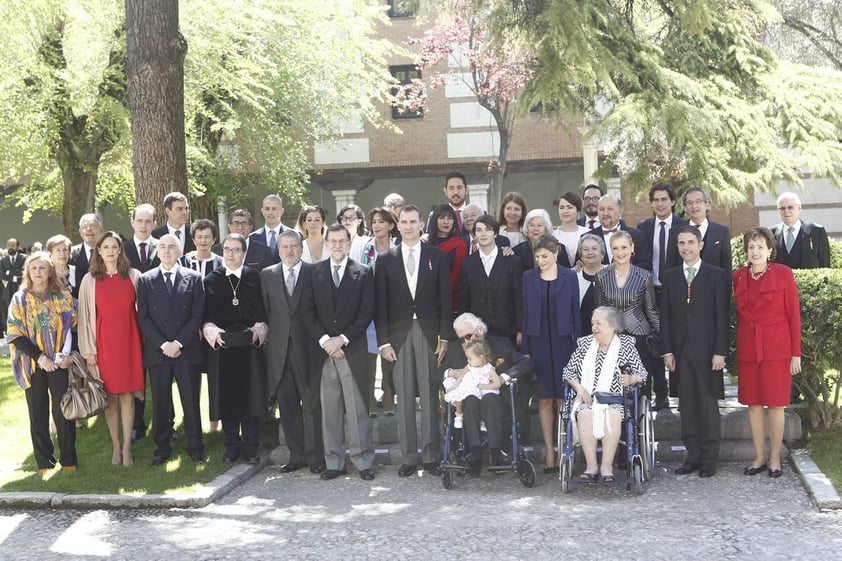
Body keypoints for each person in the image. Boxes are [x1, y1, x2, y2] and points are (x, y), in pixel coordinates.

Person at [375, 205, 452, 477]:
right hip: (398, 335)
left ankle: (431, 455)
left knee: (430, 396)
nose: (408, 226)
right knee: (404, 395)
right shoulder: (386, 259)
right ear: (398, 224)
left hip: (430, 334)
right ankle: (409, 456)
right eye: (404, 221)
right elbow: (380, 305)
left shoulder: (437, 256)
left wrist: (445, 337)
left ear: (421, 224)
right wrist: (383, 342)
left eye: (413, 221)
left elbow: (446, 298)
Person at [301, 224, 376, 481]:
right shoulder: (313, 272)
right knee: (330, 408)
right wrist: (326, 341)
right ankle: (334, 462)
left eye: (341, 241)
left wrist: (341, 340)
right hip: (324, 352)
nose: (336, 245)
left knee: (356, 408)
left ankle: (363, 461)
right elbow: (307, 311)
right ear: (326, 243)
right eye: (332, 241)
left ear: (348, 242)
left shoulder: (363, 272)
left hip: (351, 349)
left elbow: (366, 312)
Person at [661, 226, 729, 478]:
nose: (686, 247)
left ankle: (710, 458)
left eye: (691, 242)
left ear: (700, 245)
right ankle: (693, 456)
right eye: (681, 243)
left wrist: (720, 351)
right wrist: (667, 350)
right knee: (687, 405)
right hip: (680, 351)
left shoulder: (716, 275)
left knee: (708, 404)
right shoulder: (669, 277)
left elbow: (722, 316)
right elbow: (665, 317)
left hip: (708, 350)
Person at [734, 227, 801, 479]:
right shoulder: (739, 276)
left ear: (770, 250)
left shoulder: (784, 274)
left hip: (777, 347)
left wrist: (796, 353)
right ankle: (759, 457)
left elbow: (793, 315)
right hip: (748, 347)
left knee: (775, 404)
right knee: (752, 405)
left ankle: (774, 459)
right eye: (751, 247)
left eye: (760, 247)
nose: (755, 251)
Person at [136, 234, 206, 466]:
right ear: (157, 252)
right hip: (158, 352)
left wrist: (179, 343)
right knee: (161, 402)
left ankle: (196, 446)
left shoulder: (194, 278)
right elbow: (143, 317)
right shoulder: (146, 280)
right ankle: (162, 447)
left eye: (171, 247)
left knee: (191, 401)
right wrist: (163, 344)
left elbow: (197, 315)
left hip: (186, 350)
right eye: (162, 247)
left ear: (179, 252)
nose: (166, 251)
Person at [261, 230, 326, 474]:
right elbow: (267, 312)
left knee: (311, 405)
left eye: (294, 246)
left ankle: (315, 456)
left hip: (308, 349)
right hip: (280, 352)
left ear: (301, 249)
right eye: (284, 246)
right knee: (287, 405)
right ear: (278, 250)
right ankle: (296, 455)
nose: (289, 251)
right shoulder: (267, 275)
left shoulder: (314, 272)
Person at [7, 252, 78, 475]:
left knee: (63, 411)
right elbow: (14, 334)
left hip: (58, 363)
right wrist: (41, 357)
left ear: (50, 272)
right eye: (34, 268)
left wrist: (68, 355)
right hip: (32, 364)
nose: (38, 272)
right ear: (28, 271)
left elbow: (75, 326)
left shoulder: (62, 297)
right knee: (37, 413)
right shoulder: (20, 299)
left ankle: (69, 461)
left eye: (42, 268)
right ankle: (44, 463)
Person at [78, 231, 144, 467]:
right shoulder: (90, 280)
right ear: (98, 251)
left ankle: (127, 448)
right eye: (105, 247)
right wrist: (88, 351)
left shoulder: (134, 276)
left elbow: (142, 313)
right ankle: (115, 445)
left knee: (127, 395)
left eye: (114, 247)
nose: (110, 251)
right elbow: (85, 318)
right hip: (103, 346)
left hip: (130, 343)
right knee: (110, 398)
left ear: (120, 250)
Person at [203, 234, 268, 464]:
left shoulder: (254, 277)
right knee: (227, 399)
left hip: (249, 347)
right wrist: (214, 333)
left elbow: (263, 312)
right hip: (224, 348)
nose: (231, 254)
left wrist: (257, 331)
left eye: (236, 250)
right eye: (228, 249)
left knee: (250, 397)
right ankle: (231, 446)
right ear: (222, 252)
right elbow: (206, 315)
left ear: (244, 252)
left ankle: (251, 447)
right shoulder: (212, 279)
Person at [563, 306, 648, 482]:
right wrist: (579, 388)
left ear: (612, 326)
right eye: (593, 323)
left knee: (613, 415)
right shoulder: (585, 344)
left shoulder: (626, 345)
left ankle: (607, 466)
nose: (594, 327)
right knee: (585, 413)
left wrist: (631, 379)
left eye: (599, 323)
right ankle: (591, 466)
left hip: (616, 400)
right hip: (589, 398)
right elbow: (568, 372)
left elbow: (643, 374)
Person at [522, 234, 581, 472]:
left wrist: (578, 349)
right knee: (545, 398)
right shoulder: (528, 277)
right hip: (538, 342)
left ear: (556, 253)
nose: (541, 261)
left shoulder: (569, 276)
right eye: (537, 257)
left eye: (545, 256)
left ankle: (564, 447)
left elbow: (575, 313)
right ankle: (549, 450)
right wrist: (525, 349)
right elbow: (525, 314)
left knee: (563, 398)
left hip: (563, 342)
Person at [448, 313, 535, 475]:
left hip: (498, 400)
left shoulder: (500, 344)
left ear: (479, 331)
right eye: (461, 339)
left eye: (468, 336)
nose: (465, 342)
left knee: (490, 399)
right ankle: (475, 454)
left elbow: (526, 363)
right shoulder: (455, 351)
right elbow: (436, 374)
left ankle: (496, 453)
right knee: (472, 400)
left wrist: (503, 378)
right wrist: (450, 374)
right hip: (469, 402)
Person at [594, 231, 663, 408]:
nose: (620, 252)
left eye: (624, 247)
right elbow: (600, 310)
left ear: (632, 248)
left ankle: (640, 428)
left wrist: (663, 338)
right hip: (611, 337)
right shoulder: (602, 275)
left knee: (640, 384)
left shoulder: (644, 275)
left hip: (639, 336)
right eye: (615, 248)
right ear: (610, 251)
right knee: (612, 383)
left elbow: (651, 309)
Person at [458, 215, 523, 345]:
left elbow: (519, 298)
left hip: (507, 330)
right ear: (475, 235)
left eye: (487, 229)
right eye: (479, 230)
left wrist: (520, 330)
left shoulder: (512, 261)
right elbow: (464, 300)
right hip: (477, 332)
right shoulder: (467, 264)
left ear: (495, 233)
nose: (483, 234)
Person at [360, 208, 398, 418]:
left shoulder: (398, 248)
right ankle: (370, 398)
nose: (376, 225)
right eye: (373, 221)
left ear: (391, 225)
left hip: (393, 308)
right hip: (370, 306)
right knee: (370, 352)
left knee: (389, 351)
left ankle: (388, 392)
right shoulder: (366, 249)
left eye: (381, 221)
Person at [635, 182, 687, 286]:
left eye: (664, 199)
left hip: (676, 286)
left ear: (672, 202)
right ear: (651, 203)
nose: (660, 204)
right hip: (649, 288)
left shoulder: (683, 226)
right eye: (656, 200)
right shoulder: (643, 227)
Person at [672, 187, 731, 277]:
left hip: (713, 287)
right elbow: (671, 265)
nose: (694, 206)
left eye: (698, 201)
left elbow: (726, 266)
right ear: (685, 207)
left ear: (707, 204)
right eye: (690, 203)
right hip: (683, 287)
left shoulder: (722, 232)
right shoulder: (674, 232)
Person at [443, 340, 502, 429]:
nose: (468, 360)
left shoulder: (489, 369)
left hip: (481, 390)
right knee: (459, 395)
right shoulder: (469, 366)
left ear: (481, 357)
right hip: (469, 388)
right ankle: (459, 415)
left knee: (484, 403)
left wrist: (483, 386)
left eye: (470, 358)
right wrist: (454, 386)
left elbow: (497, 383)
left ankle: (483, 421)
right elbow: (461, 376)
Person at [589, 194, 651, 271]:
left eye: (610, 209)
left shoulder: (638, 236)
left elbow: (645, 265)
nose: (605, 213)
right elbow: (581, 265)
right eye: (601, 209)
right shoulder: (588, 238)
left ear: (620, 212)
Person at [770, 191, 830, 269]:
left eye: (790, 207)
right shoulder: (770, 233)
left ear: (799, 208)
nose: (786, 211)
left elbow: (825, 264)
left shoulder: (816, 231)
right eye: (782, 208)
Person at [426, 203, 468, 312]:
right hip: (427, 303)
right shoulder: (425, 245)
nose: (446, 222)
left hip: (453, 303)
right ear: (435, 220)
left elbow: (459, 276)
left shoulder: (460, 244)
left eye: (450, 218)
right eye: (441, 217)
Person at [425, 171, 470, 236]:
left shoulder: (478, 214)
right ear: (445, 191)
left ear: (466, 190)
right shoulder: (434, 215)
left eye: (459, 187)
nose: (455, 192)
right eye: (451, 188)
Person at [576, 234, 606, 329]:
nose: (590, 252)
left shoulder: (613, 274)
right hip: (582, 334)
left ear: (602, 253)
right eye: (585, 249)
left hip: (609, 333)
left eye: (594, 248)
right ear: (581, 256)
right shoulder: (574, 277)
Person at [250, 194, 289, 263]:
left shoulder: (292, 235)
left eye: (274, 209)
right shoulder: (252, 238)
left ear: (282, 211)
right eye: (267, 209)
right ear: (262, 212)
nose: (270, 213)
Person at [554, 192, 589, 267]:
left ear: (578, 210)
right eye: (562, 207)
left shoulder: (588, 234)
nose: (565, 211)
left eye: (569, 207)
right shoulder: (552, 235)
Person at [123, 203, 160, 274]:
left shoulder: (162, 247)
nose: (143, 226)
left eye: (148, 222)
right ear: (132, 222)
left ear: (154, 224)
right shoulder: (122, 248)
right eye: (139, 221)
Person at [70, 213, 103, 290]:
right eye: (84, 227)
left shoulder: (108, 252)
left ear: (100, 229)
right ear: (80, 232)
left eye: (92, 226)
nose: (88, 229)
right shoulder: (71, 254)